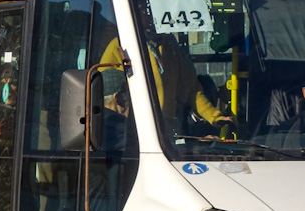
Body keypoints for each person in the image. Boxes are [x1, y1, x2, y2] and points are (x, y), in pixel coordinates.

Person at [98, 35, 234, 139]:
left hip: (166, 129)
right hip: (131, 131)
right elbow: (106, 93)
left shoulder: (169, 45)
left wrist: (216, 117)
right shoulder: (122, 44)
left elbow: (191, 89)